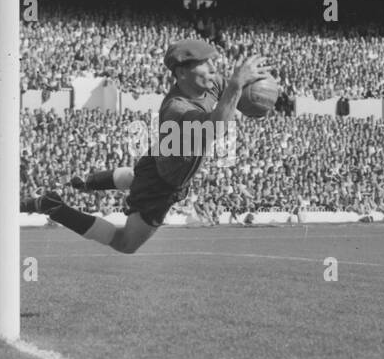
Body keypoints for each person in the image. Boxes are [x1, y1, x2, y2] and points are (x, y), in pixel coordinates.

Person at [22, 39, 271, 254]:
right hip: (162, 184)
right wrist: (237, 87)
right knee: (125, 244)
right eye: (205, 64)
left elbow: (231, 94)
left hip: (160, 158)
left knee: (134, 175)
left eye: (213, 62)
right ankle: (53, 206)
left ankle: (87, 183)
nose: (214, 69)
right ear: (182, 73)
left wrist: (252, 91)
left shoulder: (208, 83)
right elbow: (215, 128)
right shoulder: (177, 109)